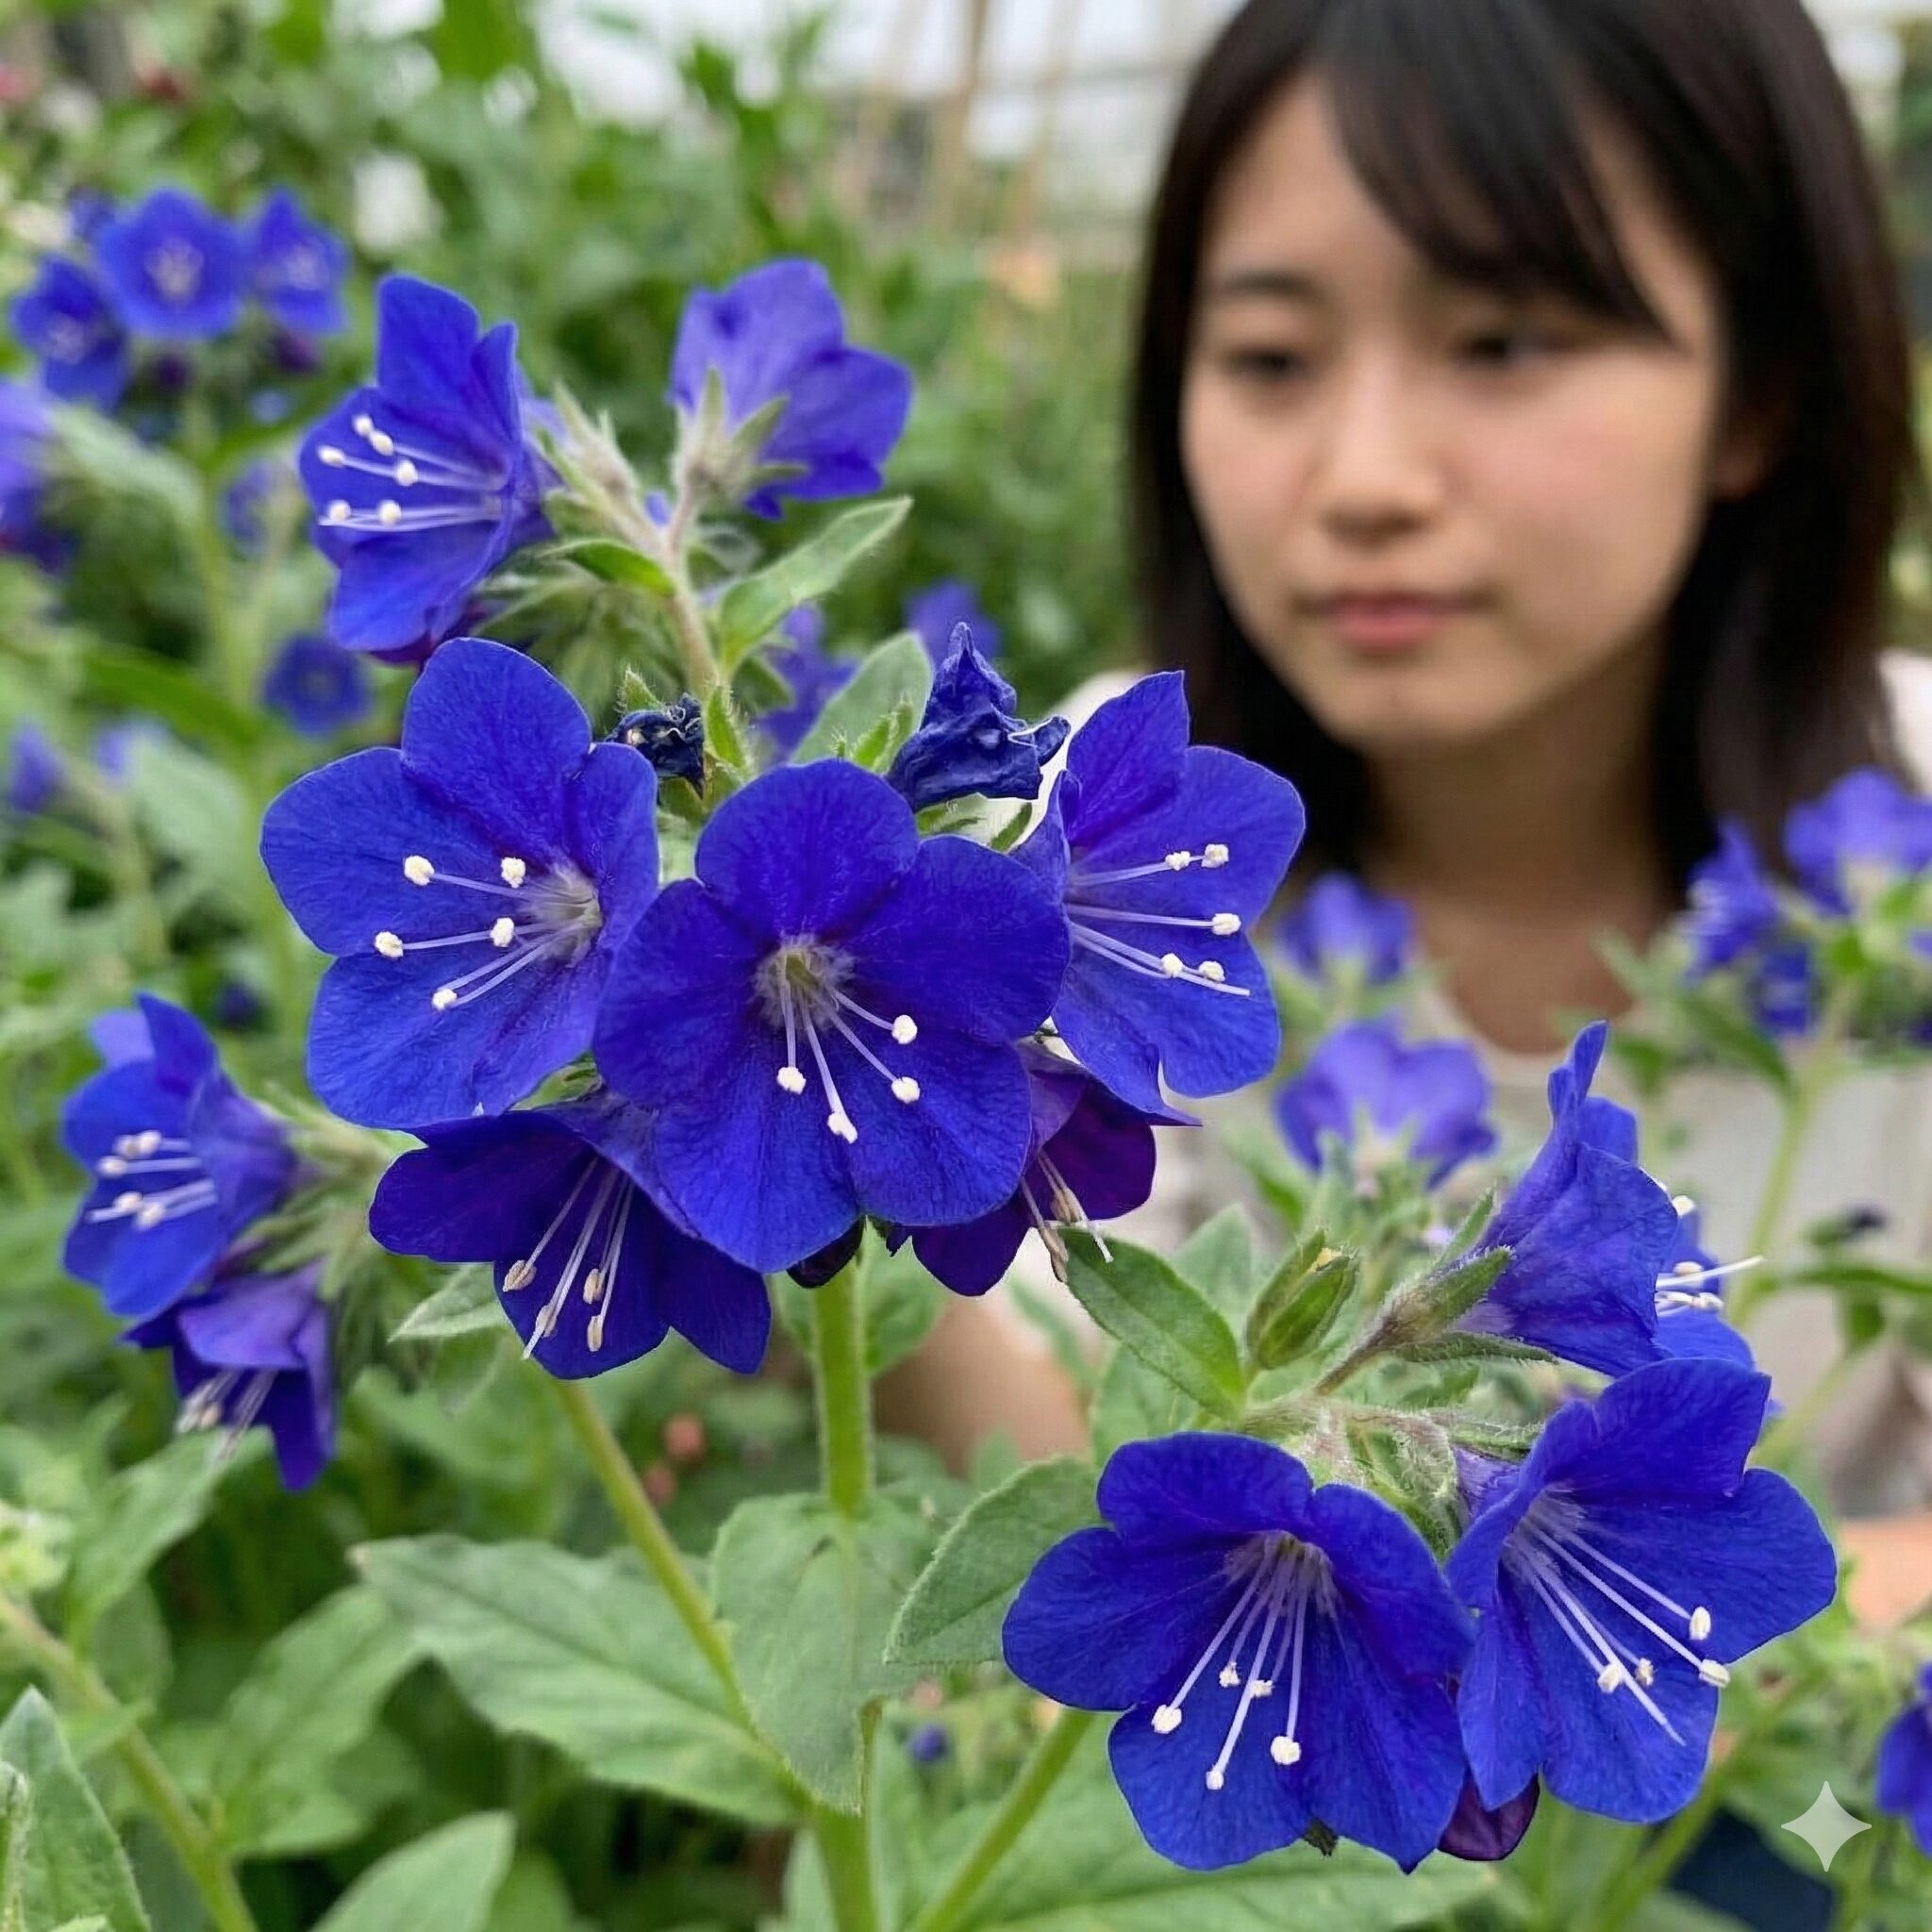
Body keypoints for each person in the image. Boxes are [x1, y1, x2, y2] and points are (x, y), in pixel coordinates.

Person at [879, 0, 1932, 1614]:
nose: (1365, 476)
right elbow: (1063, 1546)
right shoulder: (1074, 834)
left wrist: (1616, 1649)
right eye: (1272, 357)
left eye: (1503, 339)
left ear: (1759, 391)